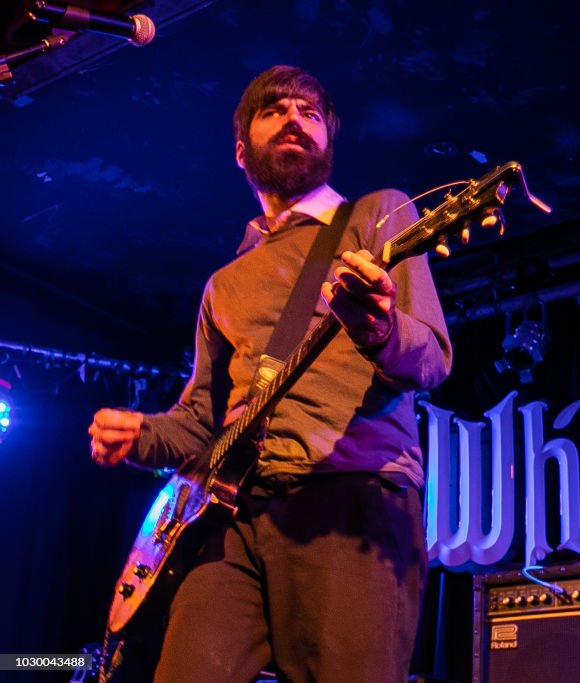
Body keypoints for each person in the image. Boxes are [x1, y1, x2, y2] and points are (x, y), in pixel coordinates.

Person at [87, 65, 452, 683]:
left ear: (328, 143)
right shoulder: (223, 284)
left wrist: (383, 330)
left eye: (311, 114)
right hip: (229, 519)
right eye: (274, 109)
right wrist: (140, 436)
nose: (294, 119)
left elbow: (435, 358)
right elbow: (200, 420)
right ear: (241, 150)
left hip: (350, 501)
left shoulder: (377, 215)